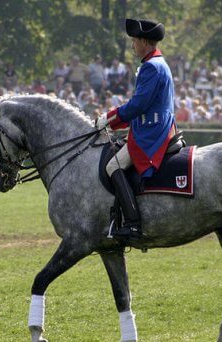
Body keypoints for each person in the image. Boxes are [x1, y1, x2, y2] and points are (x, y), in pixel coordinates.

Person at [96, 18, 174, 241]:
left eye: (134, 41)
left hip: (152, 132)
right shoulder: (158, 63)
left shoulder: (151, 67)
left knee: (113, 165)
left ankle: (132, 223)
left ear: (143, 41)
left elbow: (139, 105)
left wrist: (108, 120)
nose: (132, 46)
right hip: (155, 125)